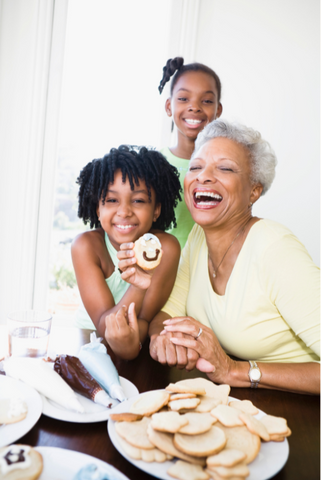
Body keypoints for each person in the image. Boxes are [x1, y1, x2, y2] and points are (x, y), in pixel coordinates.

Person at [147, 119, 320, 395]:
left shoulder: (275, 249)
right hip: (248, 401)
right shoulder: (198, 237)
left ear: (254, 190)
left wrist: (233, 370)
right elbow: (169, 310)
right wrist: (161, 338)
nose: (203, 176)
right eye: (195, 167)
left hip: (303, 412)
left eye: (225, 168)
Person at [71, 145, 181, 360]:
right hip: (89, 342)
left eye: (138, 200)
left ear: (156, 209)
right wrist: (138, 286)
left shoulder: (165, 248)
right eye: (112, 200)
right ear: (97, 209)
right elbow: (105, 327)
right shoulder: (86, 246)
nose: (124, 211)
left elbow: (142, 321)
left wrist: (130, 346)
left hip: (138, 347)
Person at [158, 57, 223, 249]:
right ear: (169, 106)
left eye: (206, 100)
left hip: (209, 270)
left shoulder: (227, 167)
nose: (194, 107)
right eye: (184, 99)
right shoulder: (153, 165)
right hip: (161, 272)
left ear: (218, 110)